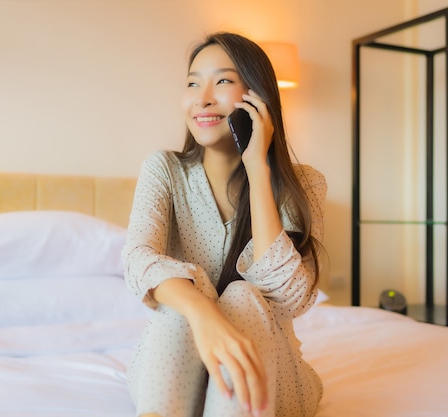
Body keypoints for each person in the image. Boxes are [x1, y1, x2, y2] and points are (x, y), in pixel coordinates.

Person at [121, 32, 326, 417]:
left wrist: (258, 169)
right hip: (174, 365)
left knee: (243, 297)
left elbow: (288, 297)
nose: (202, 98)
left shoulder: (305, 184)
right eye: (193, 83)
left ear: (258, 96)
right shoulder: (163, 170)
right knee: (182, 292)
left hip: (269, 370)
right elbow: (138, 259)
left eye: (223, 81)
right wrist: (203, 313)